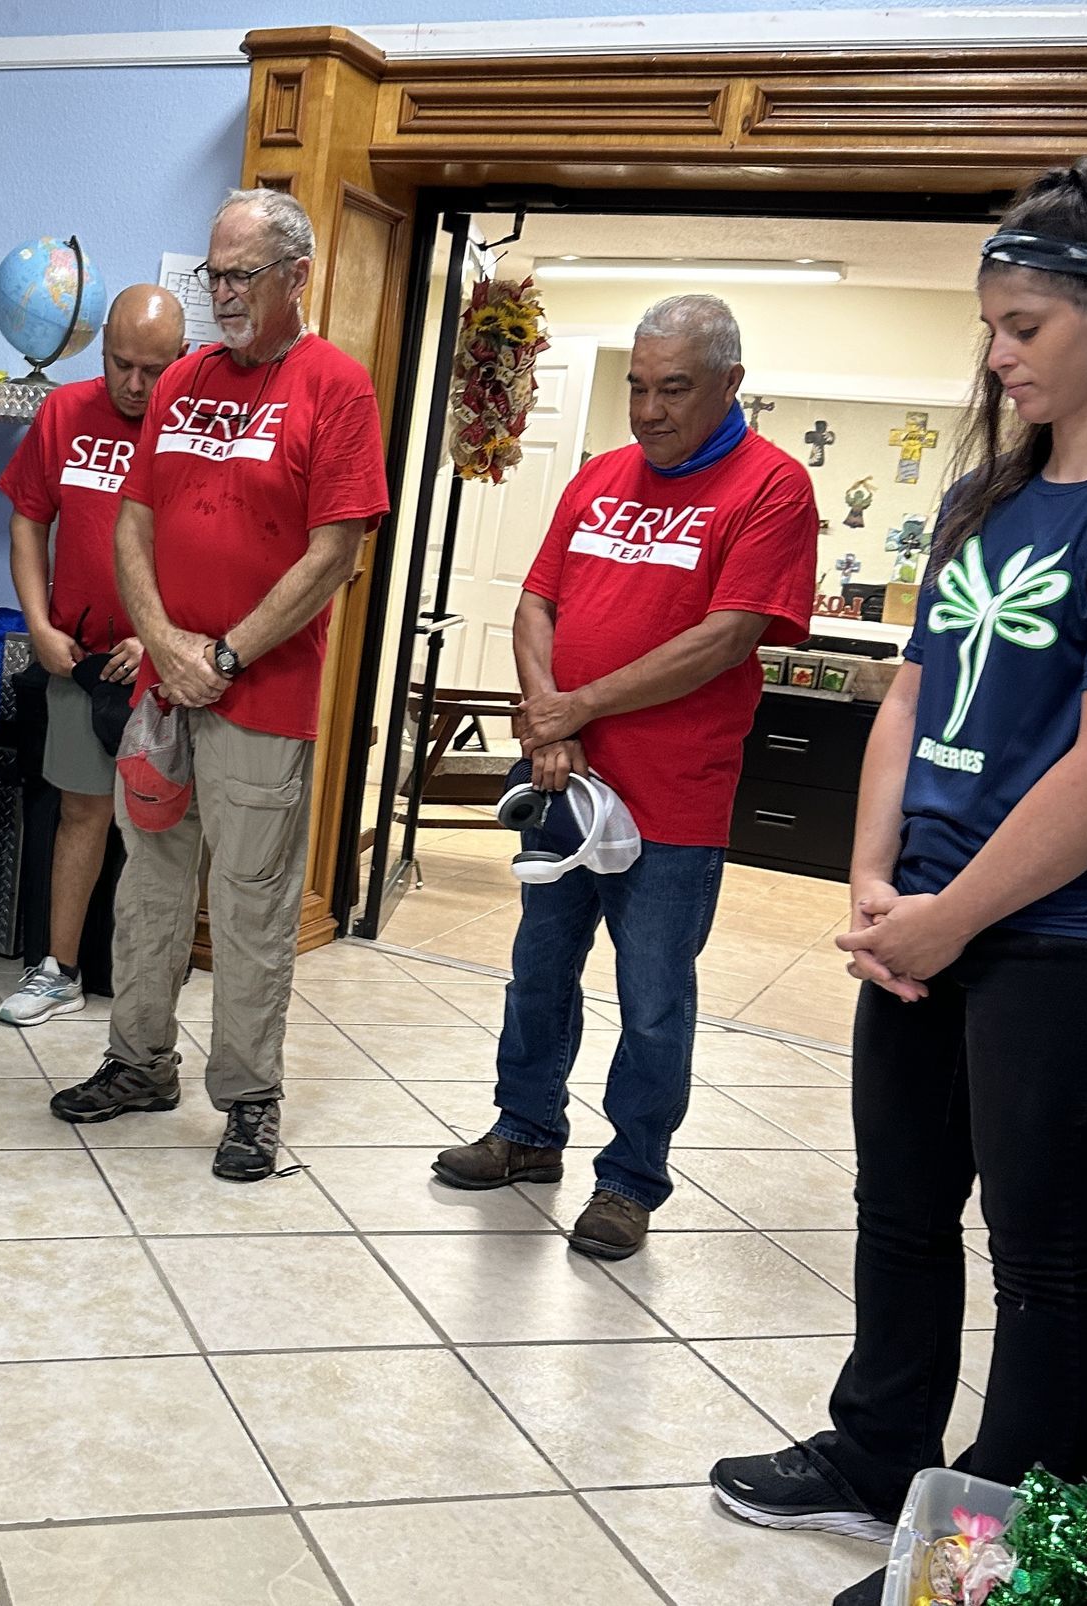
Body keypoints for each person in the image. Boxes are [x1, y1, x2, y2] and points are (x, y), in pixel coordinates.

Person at [712, 157, 1087, 1606]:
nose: (999, 355)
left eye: (1022, 325)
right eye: (989, 328)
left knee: (1048, 1259)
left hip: (1067, 939)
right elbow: (908, 696)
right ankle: (882, 1447)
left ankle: (996, 1565)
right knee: (898, 1206)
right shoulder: (981, 499)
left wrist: (952, 917)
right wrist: (877, 882)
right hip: (924, 917)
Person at [430, 294, 816, 1261]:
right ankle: (525, 1132)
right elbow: (535, 603)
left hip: (674, 801)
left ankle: (632, 1179)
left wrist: (578, 706)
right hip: (566, 782)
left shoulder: (771, 488)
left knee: (651, 999)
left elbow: (725, 638)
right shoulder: (601, 476)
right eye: (639, 386)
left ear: (731, 383)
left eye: (673, 388)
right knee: (538, 974)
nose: (648, 410)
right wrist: (548, 719)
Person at [47, 189, 389, 1182]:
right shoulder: (187, 378)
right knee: (149, 887)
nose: (221, 294)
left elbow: (335, 554)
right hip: (165, 691)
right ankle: (138, 1062)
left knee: (248, 906)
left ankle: (248, 1099)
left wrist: (226, 654)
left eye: (240, 274)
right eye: (213, 273)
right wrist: (164, 641)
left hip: (259, 698)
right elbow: (133, 520)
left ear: (297, 276)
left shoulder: (336, 388)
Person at [0, 285, 186, 1028]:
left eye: (155, 369)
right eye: (122, 364)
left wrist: (158, 636)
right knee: (79, 813)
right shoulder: (65, 413)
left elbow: (207, 549)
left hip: (162, 667)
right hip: (79, 658)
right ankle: (58, 971)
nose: (136, 385)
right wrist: (37, 624)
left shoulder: (193, 427)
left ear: (182, 359)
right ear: (101, 345)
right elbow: (26, 522)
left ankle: (149, 987)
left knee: (161, 829)